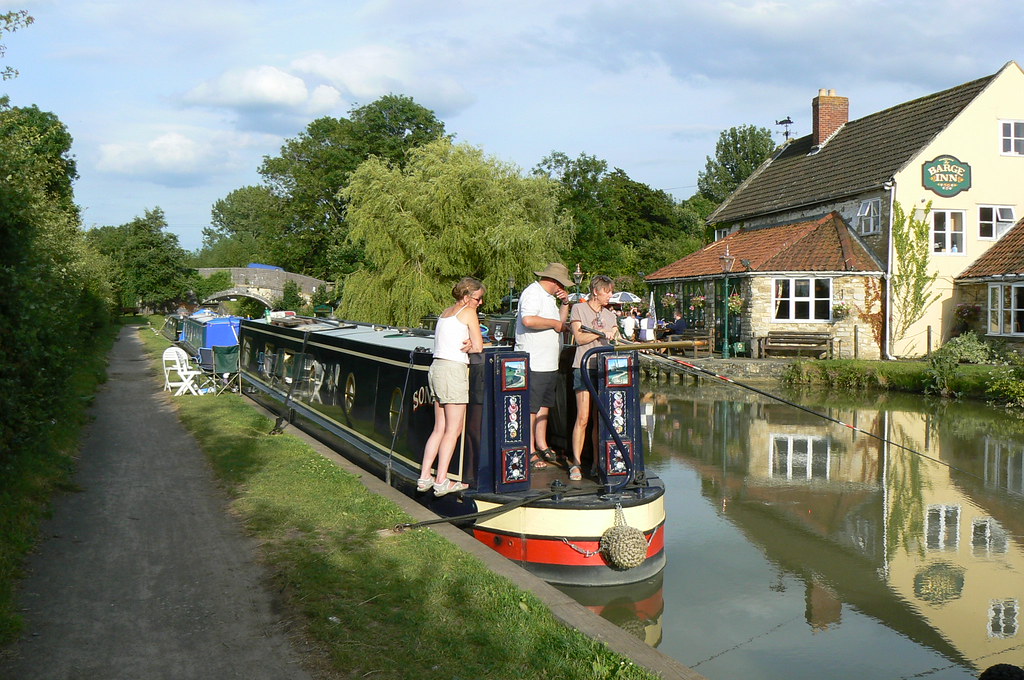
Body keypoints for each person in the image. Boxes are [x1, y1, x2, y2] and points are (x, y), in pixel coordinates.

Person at [418, 277, 485, 496]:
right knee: (453, 430)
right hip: (453, 371)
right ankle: (441, 481)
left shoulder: (445, 313)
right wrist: (474, 345)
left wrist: (469, 344)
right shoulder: (468, 312)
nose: (480, 303)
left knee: (439, 428)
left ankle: (425, 476)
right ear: (467, 297)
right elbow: (479, 346)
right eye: (478, 298)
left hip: (436, 368)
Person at [514, 262, 572, 470]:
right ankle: (528, 449)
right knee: (531, 407)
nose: (562, 288)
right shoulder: (532, 293)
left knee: (544, 404)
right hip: (535, 360)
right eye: (561, 284)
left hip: (549, 361)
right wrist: (554, 323)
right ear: (554, 281)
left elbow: (560, 324)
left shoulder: (549, 298)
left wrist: (565, 304)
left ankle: (541, 443)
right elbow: (528, 320)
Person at [568, 275, 620, 482]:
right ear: (596, 291)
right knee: (583, 417)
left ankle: (598, 462)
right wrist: (601, 332)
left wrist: (611, 332)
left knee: (601, 419)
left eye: (611, 292)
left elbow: (613, 336)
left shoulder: (611, 315)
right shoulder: (578, 310)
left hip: (605, 369)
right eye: (607, 291)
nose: (610, 295)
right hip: (584, 367)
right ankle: (576, 463)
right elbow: (579, 338)